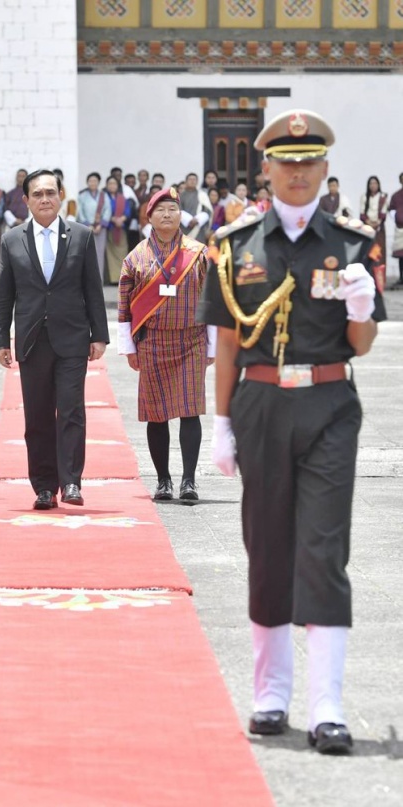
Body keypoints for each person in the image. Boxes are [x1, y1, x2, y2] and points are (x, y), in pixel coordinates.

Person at [198, 108, 386, 755]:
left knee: (324, 548)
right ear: (268, 169)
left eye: (310, 162)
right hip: (261, 404)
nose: (299, 172)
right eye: (288, 161)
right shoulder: (237, 244)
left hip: (331, 402)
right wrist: (220, 421)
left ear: (325, 169)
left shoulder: (353, 242)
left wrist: (361, 306)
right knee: (269, 543)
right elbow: (226, 343)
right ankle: (272, 691)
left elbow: (360, 342)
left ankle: (327, 703)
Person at [0, 169, 109, 509]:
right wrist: (1, 339)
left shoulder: (81, 236)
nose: (45, 199)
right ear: (26, 200)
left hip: (72, 338)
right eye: (38, 194)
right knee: (38, 415)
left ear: (61, 197)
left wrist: (99, 335)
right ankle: (44, 486)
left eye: (51, 193)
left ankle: (71, 481)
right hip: (31, 339)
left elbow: (93, 289)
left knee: (72, 411)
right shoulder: (12, 239)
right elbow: (4, 295)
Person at [118, 187, 215, 501]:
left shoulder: (198, 253)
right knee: (156, 413)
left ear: (180, 215)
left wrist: (213, 346)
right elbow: (123, 305)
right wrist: (129, 347)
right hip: (153, 343)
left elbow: (212, 299)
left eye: (173, 209)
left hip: (191, 341)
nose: (167, 215)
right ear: (150, 217)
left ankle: (189, 481)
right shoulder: (135, 258)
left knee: (190, 410)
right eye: (160, 210)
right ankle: (163, 480)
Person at [77, 171, 111, 284]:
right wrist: (87, 224)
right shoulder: (82, 196)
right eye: (90, 181)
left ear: (99, 182)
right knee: (86, 253)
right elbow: (80, 211)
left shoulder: (104, 195)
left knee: (99, 254)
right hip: (86, 228)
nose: (93, 183)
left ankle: (98, 280)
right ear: (87, 182)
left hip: (100, 228)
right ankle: (86, 281)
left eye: (95, 181)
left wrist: (100, 224)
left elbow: (107, 210)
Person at [104, 175, 132, 284]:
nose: (112, 186)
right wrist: (112, 219)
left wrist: (122, 219)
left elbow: (128, 212)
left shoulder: (122, 198)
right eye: (110, 183)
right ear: (106, 186)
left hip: (121, 229)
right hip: (109, 228)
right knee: (110, 255)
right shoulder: (104, 197)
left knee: (122, 253)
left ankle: (122, 278)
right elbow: (103, 211)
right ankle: (112, 279)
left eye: (114, 183)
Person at [359, 175, 388, 258]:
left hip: (379, 228)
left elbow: (383, 213)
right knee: (368, 250)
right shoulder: (364, 197)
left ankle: (379, 270)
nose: (373, 185)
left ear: (378, 185)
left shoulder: (383, 197)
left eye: (375, 183)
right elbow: (362, 213)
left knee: (379, 250)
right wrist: (369, 223)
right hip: (367, 227)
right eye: (371, 183)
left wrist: (377, 223)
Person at [180, 172, 212, 242]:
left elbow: (207, 211)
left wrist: (197, 220)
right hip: (184, 228)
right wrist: (188, 220)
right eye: (190, 179)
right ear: (186, 181)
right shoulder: (180, 196)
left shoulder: (202, 195)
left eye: (194, 179)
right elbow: (178, 210)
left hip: (199, 228)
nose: (192, 181)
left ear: (197, 182)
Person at [388, 172, 403, 284]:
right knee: (401, 255)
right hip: (400, 228)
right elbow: (391, 210)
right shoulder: (396, 195)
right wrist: (397, 218)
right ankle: (401, 278)